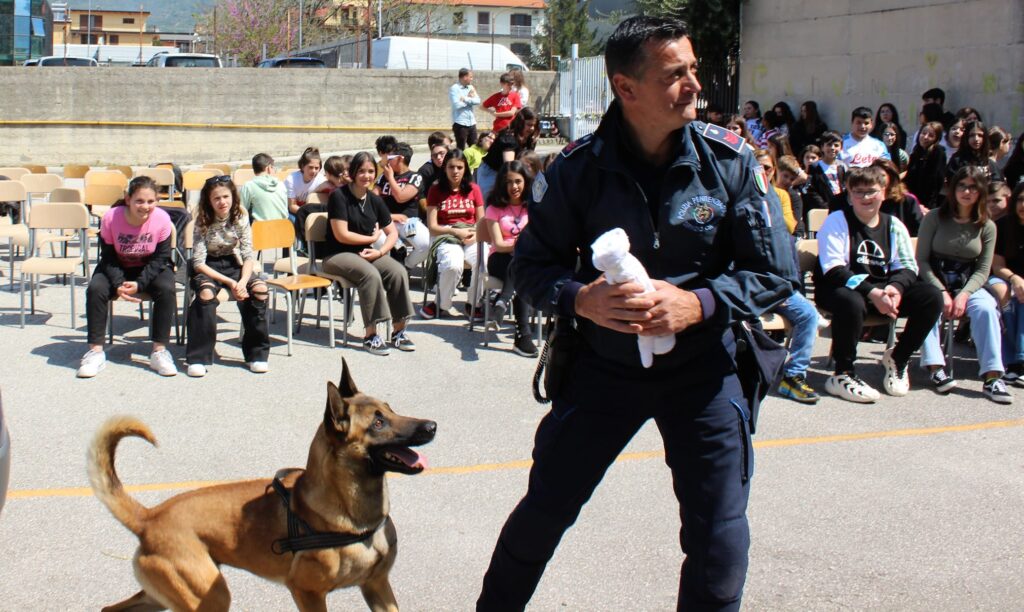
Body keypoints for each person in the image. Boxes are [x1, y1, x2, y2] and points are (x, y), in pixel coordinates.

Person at [477, 17, 798, 611]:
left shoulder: (728, 164)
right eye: (677, 75)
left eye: (694, 70)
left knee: (719, 539)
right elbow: (530, 267)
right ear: (626, 88)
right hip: (605, 372)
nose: (695, 85)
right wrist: (581, 299)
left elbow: (776, 275)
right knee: (543, 515)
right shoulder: (575, 169)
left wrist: (697, 303)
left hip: (705, 373)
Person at [813, 166, 943, 403]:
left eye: (871, 191)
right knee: (849, 300)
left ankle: (898, 358)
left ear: (883, 192)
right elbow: (834, 269)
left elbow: (907, 266)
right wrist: (872, 292)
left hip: (882, 291)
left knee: (931, 296)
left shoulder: (893, 224)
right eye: (858, 192)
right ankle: (843, 373)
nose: (865, 197)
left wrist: (895, 289)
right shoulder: (837, 220)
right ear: (849, 194)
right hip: (841, 290)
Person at [916, 166, 1011, 403]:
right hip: (934, 279)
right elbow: (922, 261)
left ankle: (992, 377)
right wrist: (942, 292)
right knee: (929, 305)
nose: (967, 191)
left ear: (980, 192)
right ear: (953, 188)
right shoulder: (934, 217)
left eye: (972, 187)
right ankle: (936, 368)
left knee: (986, 309)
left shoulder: (987, 226)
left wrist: (965, 294)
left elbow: (982, 268)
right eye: (962, 185)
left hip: (968, 283)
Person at [78, 177, 178, 378]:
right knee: (96, 288)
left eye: (151, 201)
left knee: (167, 289)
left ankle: (159, 351)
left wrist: (140, 283)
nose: (145, 206)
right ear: (128, 199)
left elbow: (161, 258)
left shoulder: (162, 219)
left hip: (149, 267)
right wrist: (118, 284)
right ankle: (95, 352)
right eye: (139, 201)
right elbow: (107, 256)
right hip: (116, 265)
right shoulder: (111, 218)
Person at [321, 152, 416, 356]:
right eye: (362, 171)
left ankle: (399, 331)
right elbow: (342, 234)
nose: (367, 175)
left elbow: (390, 232)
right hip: (337, 254)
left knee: (398, 271)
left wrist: (380, 251)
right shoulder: (339, 196)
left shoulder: (373, 199)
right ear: (353, 173)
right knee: (370, 275)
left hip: (366, 253)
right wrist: (371, 239)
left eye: (371, 171)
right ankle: (371, 335)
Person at [185, 177, 270, 377]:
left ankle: (256, 354)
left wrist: (241, 282)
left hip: (233, 262)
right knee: (206, 294)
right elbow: (198, 263)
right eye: (216, 198)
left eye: (226, 196)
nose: (222, 202)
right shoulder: (202, 219)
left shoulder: (240, 215)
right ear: (209, 201)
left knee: (259, 290)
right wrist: (231, 283)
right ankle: (198, 358)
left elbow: (248, 255)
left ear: (233, 197)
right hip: (208, 266)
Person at [420, 148, 485, 320]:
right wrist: (455, 231)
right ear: (445, 169)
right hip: (446, 236)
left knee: (484, 262)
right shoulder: (435, 190)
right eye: (451, 167)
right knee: (453, 265)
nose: (455, 171)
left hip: (471, 236)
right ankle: (441, 304)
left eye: (459, 167)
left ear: (465, 169)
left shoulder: (474, 189)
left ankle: (473, 303)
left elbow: (482, 222)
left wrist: (476, 234)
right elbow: (432, 226)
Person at [483, 160, 536, 357]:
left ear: (525, 182)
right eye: (508, 182)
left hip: (526, 261)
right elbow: (498, 244)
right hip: (499, 259)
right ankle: (523, 336)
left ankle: (502, 303)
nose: (514, 187)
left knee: (521, 267)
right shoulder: (494, 208)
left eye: (518, 181)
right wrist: (521, 245)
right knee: (519, 267)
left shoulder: (533, 206)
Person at [375, 142, 430, 269]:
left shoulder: (415, 177)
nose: (387, 162)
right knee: (379, 241)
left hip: (408, 222)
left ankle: (405, 265)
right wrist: (390, 216)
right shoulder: (383, 177)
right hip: (386, 221)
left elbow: (401, 197)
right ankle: (389, 268)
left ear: (400, 158)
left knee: (426, 244)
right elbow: (372, 199)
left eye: (390, 158)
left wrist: (391, 178)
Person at [991, 183, 1024, 383]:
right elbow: (997, 266)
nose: (1023, 205)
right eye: (1020, 199)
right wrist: (1015, 279)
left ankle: (1016, 362)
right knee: (1013, 296)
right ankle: (1017, 362)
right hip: (1004, 278)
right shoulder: (1003, 226)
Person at [476, 107, 539, 199]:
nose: (532, 128)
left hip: (510, 174)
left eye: (534, 125)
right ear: (520, 123)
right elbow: (509, 167)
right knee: (491, 203)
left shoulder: (530, 139)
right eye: (529, 125)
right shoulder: (509, 138)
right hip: (491, 172)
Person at [873, 158, 924, 236]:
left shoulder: (907, 200)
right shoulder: (866, 200)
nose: (878, 179)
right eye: (874, 175)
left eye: (882, 175)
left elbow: (919, 230)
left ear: (891, 177)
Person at [904, 121, 947, 209]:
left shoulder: (938, 152)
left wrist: (927, 205)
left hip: (927, 203)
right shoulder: (916, 153)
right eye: (923, 133)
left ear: (936, 138)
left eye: (931, 135)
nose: (925, 137)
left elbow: (935, 181)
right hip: (913, 200)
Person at [239, 153, 288, 222]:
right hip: (283, 227)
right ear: (268, 168)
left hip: (261, 229)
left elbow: (241, 211)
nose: (274, 171)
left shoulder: (249, 186)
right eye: (273, 168)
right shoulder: (281, 184)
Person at [284, 147, 326, 219]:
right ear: (303, 166)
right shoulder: (291, 180)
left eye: (316, 168)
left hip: (310, 213)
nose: (314, 171)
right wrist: (308, 215)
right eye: (310, 167)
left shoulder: (322, 180)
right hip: (292, 212)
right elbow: (292, 206)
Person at [450, 68, 481, 150]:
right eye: (470, 77)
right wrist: (469, 98)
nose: (472, 79)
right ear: (464, 77)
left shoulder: (471, 87)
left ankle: (474, 163)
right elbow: (457, 105)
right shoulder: (454, 88)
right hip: (460, 123)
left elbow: (477, 100)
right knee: (460, 148)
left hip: (472, 122)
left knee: (475, 147)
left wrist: (465, 99)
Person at [416, 131, 452, 196]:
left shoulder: (455, 166)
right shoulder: (426, 171)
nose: (451, 150)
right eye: (448, 147)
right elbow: (420, 195)